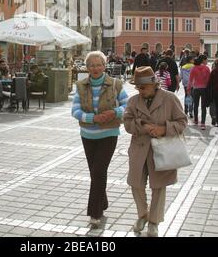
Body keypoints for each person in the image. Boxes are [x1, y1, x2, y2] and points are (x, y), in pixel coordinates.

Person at [124, 66, 187, 237]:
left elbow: (182, 122)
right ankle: (143, 215)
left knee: (158, 187)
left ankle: (154, 222)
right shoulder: (133, 101)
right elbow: (127, 123)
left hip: (163, 149)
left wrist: (164, 129)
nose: (139, 90)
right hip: (139, 150)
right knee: (135, 184)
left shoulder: (170, 99)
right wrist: (143, 126)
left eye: (142, 87)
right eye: (137, 87)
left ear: (154, 84)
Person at [71, 50, 128, 229]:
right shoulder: (81, 85)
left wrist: (114, 112)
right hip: (88, 135)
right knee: (96, 173)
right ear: (87, 68)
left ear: (104, 66)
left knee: (98, 172)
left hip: (108, 133)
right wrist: (92, 119)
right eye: (91, 65)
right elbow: (75, 111)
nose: (95, 68)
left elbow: (128, 106)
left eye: (99, 64)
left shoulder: (116, 84)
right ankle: (102, 202)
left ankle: (95, 213)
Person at [187, 55, 211, 129]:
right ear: (203, 60)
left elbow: (190, 80)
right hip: (204, 89)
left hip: (195, 89)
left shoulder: (193, 68)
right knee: (203, 107)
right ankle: (203, 123)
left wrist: (188, 89)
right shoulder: (207, 68)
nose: (207, 61)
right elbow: (208, 80)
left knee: (196, 105)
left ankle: (196, 120)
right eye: (206, 60)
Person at [208, 60, 218, 127]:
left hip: (215, 91)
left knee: (215, 105)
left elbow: (209, 82)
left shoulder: (214, 71)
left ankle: (215, 119)